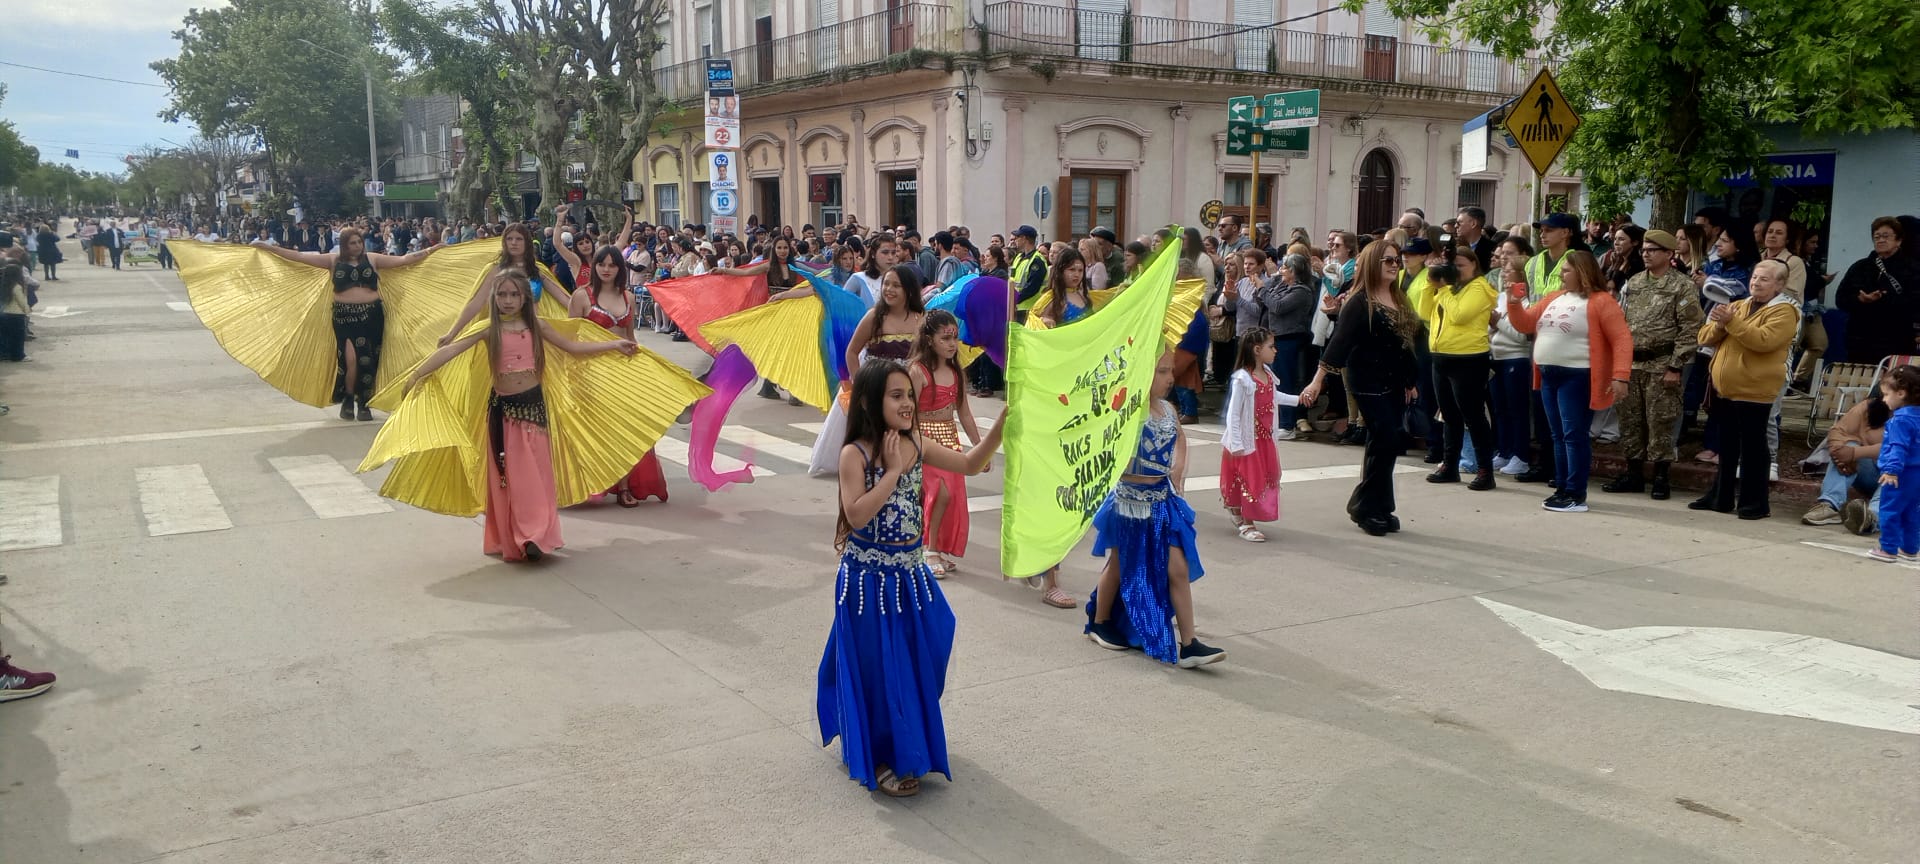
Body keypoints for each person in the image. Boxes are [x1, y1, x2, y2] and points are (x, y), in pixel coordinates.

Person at [817, 358, 1004, 797]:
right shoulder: (855, 454)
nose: (907, 404)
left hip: (910, 576)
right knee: (883, 670)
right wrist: (893, 470)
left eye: (909, 396)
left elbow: (971, 464)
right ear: (870, 400)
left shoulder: (916, 440)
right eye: (895, 396)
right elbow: (857, 515)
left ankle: (905, 738)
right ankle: (884, 755)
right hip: (868, 583)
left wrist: (1002, 426)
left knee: (923, 654)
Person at [397, 270, 641, 560]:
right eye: (502, 294)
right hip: (503, 413)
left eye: (514, 294)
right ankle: (518, 536)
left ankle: (536, 535)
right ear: (494, 298)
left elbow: (574, 348)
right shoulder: (489, 328)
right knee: (510, 478)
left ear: (525, 297)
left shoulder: (536, 325)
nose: (508, 300)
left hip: (534, 410)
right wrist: (416, 374)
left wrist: (613, 344)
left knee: (535, 476)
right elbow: (451, 350)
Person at [1083, 351, 1224, 668]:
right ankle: (1100, 621)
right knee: (1118, 563)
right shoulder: (1127, 408)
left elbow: (1181, 438)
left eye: (1170, 370)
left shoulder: (1170, 409)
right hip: (1130, 502)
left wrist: (1179, 467)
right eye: (1161, 371)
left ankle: (1189, 643)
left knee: (1178, 567)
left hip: (1162, 499)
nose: (1170, 377)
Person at [249, 227, 434, 420]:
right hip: (344, 317)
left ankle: (363, 402)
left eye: (359, 242)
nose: (357, 246)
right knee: (350, 360)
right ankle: (347, 397)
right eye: (352, 243)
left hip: (372, 316)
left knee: (369, 360)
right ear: (344, 245)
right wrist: (267, 247)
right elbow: (298, 257)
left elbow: (404, 260)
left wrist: (431, 250)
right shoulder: (332, 260)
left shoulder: (372, 259)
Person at [1298, 240, 1418, 536]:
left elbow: (1407, 345)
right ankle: (1364, 506)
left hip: (1394, 381)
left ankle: (1380, 506)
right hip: (1367, 380)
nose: (1394, 265)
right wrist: (1317, 380)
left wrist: (1411, 381)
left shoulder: (1400, 298)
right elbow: (1339, 344)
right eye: (1387, 260)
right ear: (1372, 263)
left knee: (1387, 443)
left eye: (1396, 260)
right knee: (1385, 438)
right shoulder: (1359, 301)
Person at [1504, 250, 1633, 513]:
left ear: (1582, 272)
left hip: (1578, 375)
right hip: (1550, 375)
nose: (1561, 274)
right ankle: (1563, 486)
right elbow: (1526, 324)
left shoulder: (1601, 301)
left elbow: (1621, 339)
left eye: (1566, 270)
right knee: (1558, 435)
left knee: (1573, 435)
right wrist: (1514, 303)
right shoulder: (1554, 297)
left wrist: (1620, 376)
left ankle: (1575, 492)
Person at [1689, 259, 1797, 520]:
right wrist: (1719, 323)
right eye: (1755, 277)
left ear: (1780, 284)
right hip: (1725, 387)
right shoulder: (1738, 305)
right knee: (1727, 445)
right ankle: (1721, 497)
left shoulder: (1785, 311)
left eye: (1765, 279)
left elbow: (1763, 341)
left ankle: (1754, 503)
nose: (1756, 283)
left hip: (1755, 388)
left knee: (1753, 447)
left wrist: (1731, 323)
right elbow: (1703, 337)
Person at [1603, 229, 1704, 500]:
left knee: (1661, 421)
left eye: (1653, 250)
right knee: (1630, 419)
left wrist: (1676, 366)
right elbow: (1621, 323)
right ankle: (1633, 473)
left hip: (1662, 363)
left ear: (1669, 254)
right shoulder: (1634, 282)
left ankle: (1661, 476)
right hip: (1632, 362)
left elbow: (1691, 327)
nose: (1646, 253)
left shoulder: (1681, 285)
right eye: (1644, 249)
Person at [569, 246, 670, 506]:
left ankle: (624, 487)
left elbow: (630, 338)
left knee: (626, 428)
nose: (606, 269)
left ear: (619, 269)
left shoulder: (628, 297)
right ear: (595, 267)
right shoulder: (581, 296)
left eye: (612, 265)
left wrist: (645, 366)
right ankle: (590, 483)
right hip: (592, 372)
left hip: (624, 373)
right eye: (602, 264)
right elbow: (570, 341)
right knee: (597, 431)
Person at [805, 260, 924, 478]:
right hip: (875, 387)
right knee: (874, 433)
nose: (889, 290)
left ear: (909, 290)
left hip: (907, 390)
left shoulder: (920, 319)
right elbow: (851, 352)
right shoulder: (873, 317)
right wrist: (861, 385)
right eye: (886, 284)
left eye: (896, 285)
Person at [1415, 241, 1500, 490]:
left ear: (1474, 265)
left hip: (1468, 358)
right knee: (1449, 415)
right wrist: (1431, 285)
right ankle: (1449, 464)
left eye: (1461, 266)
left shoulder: (1479, 289)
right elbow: (1424, 312)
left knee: (1473, 416)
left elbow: (1460, 316)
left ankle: (1485, 469)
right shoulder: (1449, 289)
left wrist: (1444, 289)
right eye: (1452, 266)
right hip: (1441, 357)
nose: (1456, 270)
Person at [909, 310, 982, 578]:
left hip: (950, 441)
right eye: (945, 338)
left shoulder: (956, 372)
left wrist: (979, 448)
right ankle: (930, 549)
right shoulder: (918, 371)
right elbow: (908, 411)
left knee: (951, 499)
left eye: (954, 338)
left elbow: (964, 413)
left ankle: (936, 548)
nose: (952, 344)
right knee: (939, 494)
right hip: (925, 442)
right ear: (929, 340)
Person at [1221, 328, 1302, 542]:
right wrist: (1237, 442)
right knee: (1250, 479)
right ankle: (1247, 523)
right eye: (1271, 346)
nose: (1275, 350)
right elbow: (1233, 414)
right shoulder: (1242, 379)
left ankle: (1240, 514)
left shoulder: (1267, 375)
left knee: (1266, 477)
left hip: (1264, 440)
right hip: (1248, 441)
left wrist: (1298, 400)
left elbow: (1274, 396)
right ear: (1257, 350)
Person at [1802, 369, 1890, 531]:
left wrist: (1855, 453)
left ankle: (1872, 517)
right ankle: (1829, 505)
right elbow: (1838, 431)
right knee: (1848, 446)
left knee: (1904, 470)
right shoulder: (1869, 407)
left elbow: (1900, 451)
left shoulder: (1912, 417)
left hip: (1901, 481)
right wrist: (1840, 455)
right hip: (1871, 474)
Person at [1835, 217, 1920, 366]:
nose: (1880, 240)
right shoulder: (1859, 267)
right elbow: (1840, 299)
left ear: (1899, 241)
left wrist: (1886, 299)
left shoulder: (1913, 269)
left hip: (1897, 338)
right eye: (1876, 237)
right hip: (1861, 339)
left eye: (1886, 236)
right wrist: (1860, 300)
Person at [1489, 236, 1536, 476]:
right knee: (1500, 409)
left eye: (1510, 272)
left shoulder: (1525, 301)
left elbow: (1522, 335)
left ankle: (1520, 454)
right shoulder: (1501, 298)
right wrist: (1493, 325)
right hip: (1497, 357)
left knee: (1517, 410)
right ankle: (1504, 450)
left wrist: (1499, 323)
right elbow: (1489, 326)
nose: (1504, 274)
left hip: (1516, 358)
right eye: (1504, 271)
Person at [1869, 365, 1920, 561]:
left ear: (1901, 393)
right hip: (1917, 473)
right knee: (1912, 511)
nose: (1883, 399)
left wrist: (1891, 470)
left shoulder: (1900, 420)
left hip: (1901, 473)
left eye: (1886, 395)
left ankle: (1888, 549)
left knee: (1890, 510)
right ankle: (1910, 548)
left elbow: (1899, 447)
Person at [1760, 218, 1808, 304]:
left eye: (1779, 233)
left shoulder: (1795, 262)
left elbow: (1792, 295)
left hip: (1782, 312)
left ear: (1787, 239)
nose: (1772, 235)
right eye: (1770, 231)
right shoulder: (1757, 258)